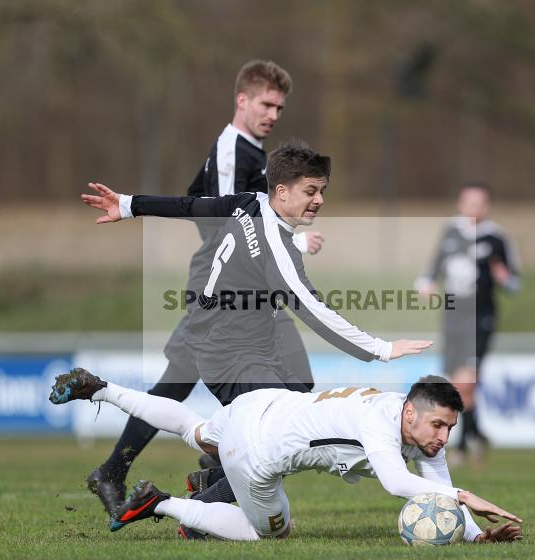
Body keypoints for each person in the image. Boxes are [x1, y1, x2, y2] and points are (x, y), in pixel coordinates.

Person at [83, 140, 432, 531]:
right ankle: (193, 509)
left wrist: (130, 205)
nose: (318, 200)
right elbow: (313, 310)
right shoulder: (277, 247)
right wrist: (382, 349)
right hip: (233, 354)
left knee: (290, 419)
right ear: (281, 191)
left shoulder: (247, 202)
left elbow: (189, 206)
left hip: (230, 344)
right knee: (284, 439)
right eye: (310, 191)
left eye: (322, 191)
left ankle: (208, 483)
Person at [85, 60, 323, 515]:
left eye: (280, 106)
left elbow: (205, 203)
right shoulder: (236, 149)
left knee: (286, 382)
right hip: (224, 289)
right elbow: (226, 219)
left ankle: (187, 469)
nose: (273, 113)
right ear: (242, 100)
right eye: (265, 103)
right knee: (272, 385)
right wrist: (290, 239)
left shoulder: (252, 153)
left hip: (243, 288)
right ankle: (207, 470)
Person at [49, 367, 524, 543]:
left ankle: (103, 390)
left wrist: (476, 535)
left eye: (449, 429)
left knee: (191, 427)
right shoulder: (378, 425)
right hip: (256, 451)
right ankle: (159, 503)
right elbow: (400, 485)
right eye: (437, 425)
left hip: (259, 404)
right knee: (269, 534)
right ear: (410, 413)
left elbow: (435, 484)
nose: (442, 437)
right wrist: (466, 494)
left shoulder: (409, 424)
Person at [416, 183, 521, 467]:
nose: (474, 208)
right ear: (460, 204)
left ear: (487, 206)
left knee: (465, 382)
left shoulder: (497, 238)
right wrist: (425, 283)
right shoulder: (451, 231)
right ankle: (478, 435)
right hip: (452, 318)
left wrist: (504, 278)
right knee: (458, 383)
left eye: (479, 202)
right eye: (468, 202)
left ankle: (462, 445)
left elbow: (514, 282)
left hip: (480, 318)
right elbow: (433, 266)